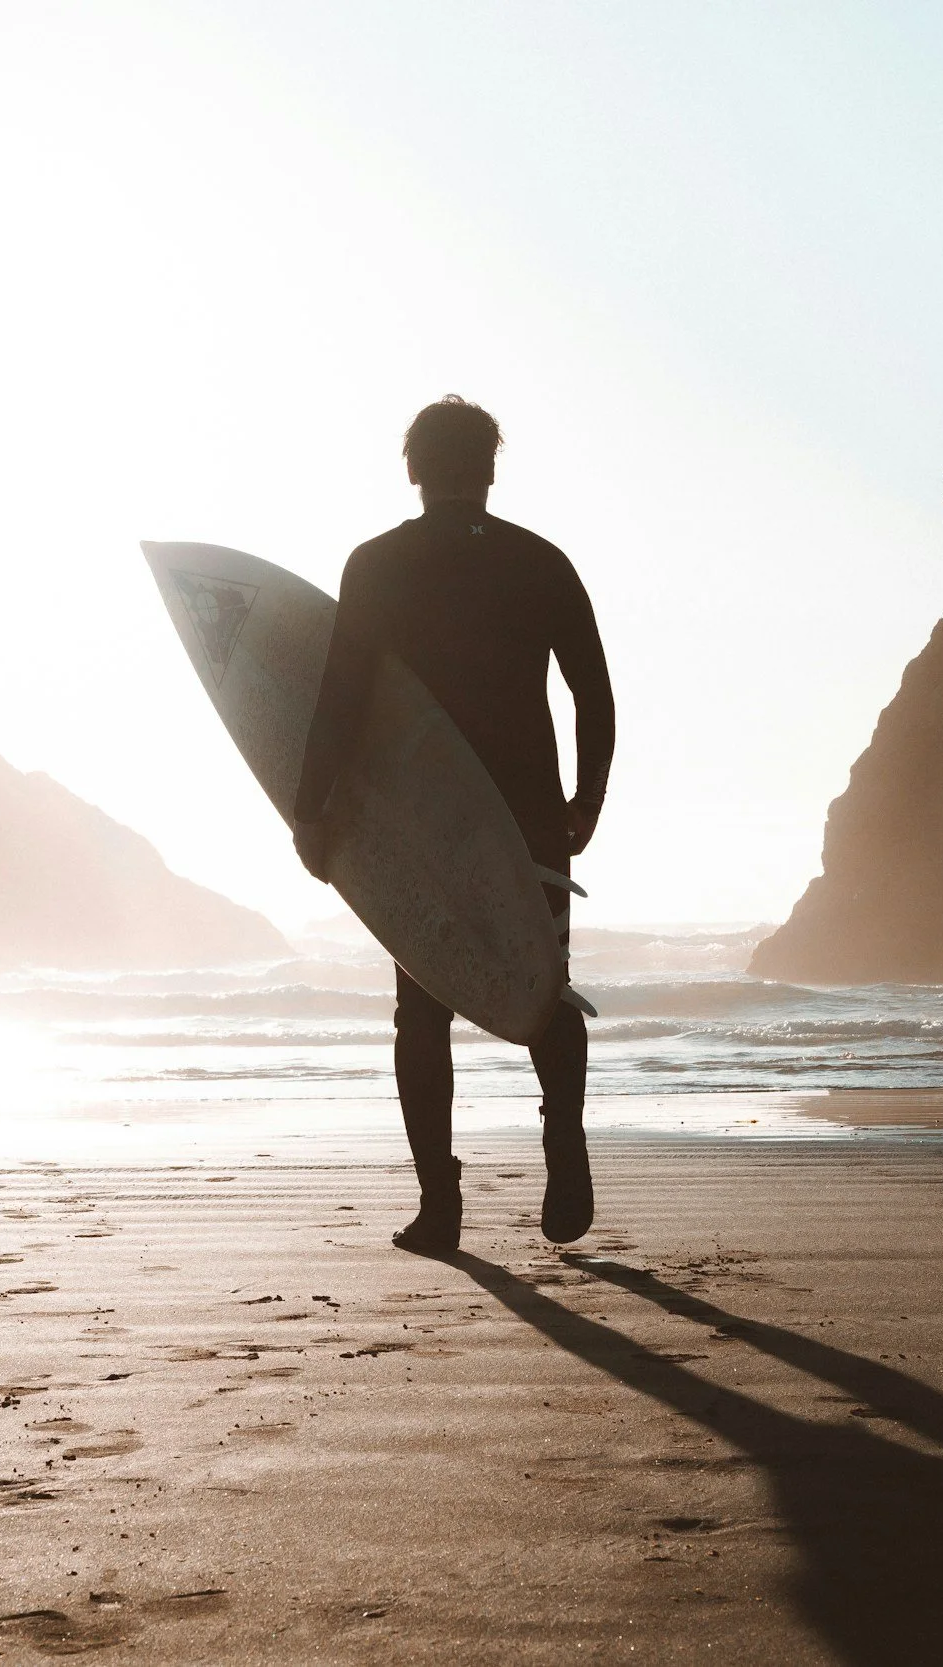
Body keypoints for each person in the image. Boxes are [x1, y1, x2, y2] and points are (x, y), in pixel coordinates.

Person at [292, 396, 614, 1256]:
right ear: (492, 469)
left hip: (423, 818)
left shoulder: (378, 565)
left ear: (413, 469)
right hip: (527, 820)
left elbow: (340, 700)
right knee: (543, 980)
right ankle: (564, 1140)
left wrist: (312, 812)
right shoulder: (541, 563)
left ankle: (441, 1205)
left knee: (421, 1008)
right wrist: (587, 802)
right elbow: (595, 694)